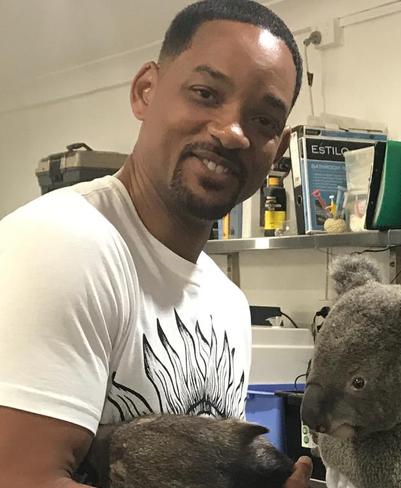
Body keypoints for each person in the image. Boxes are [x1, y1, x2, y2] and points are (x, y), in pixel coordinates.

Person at [0, 1, 311, 487]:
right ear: (146, 90)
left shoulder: (227, 303)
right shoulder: (60, 244)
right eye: (206, 94)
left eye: (263, 121)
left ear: (279, 148)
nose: (232, 133)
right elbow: (22, 478)